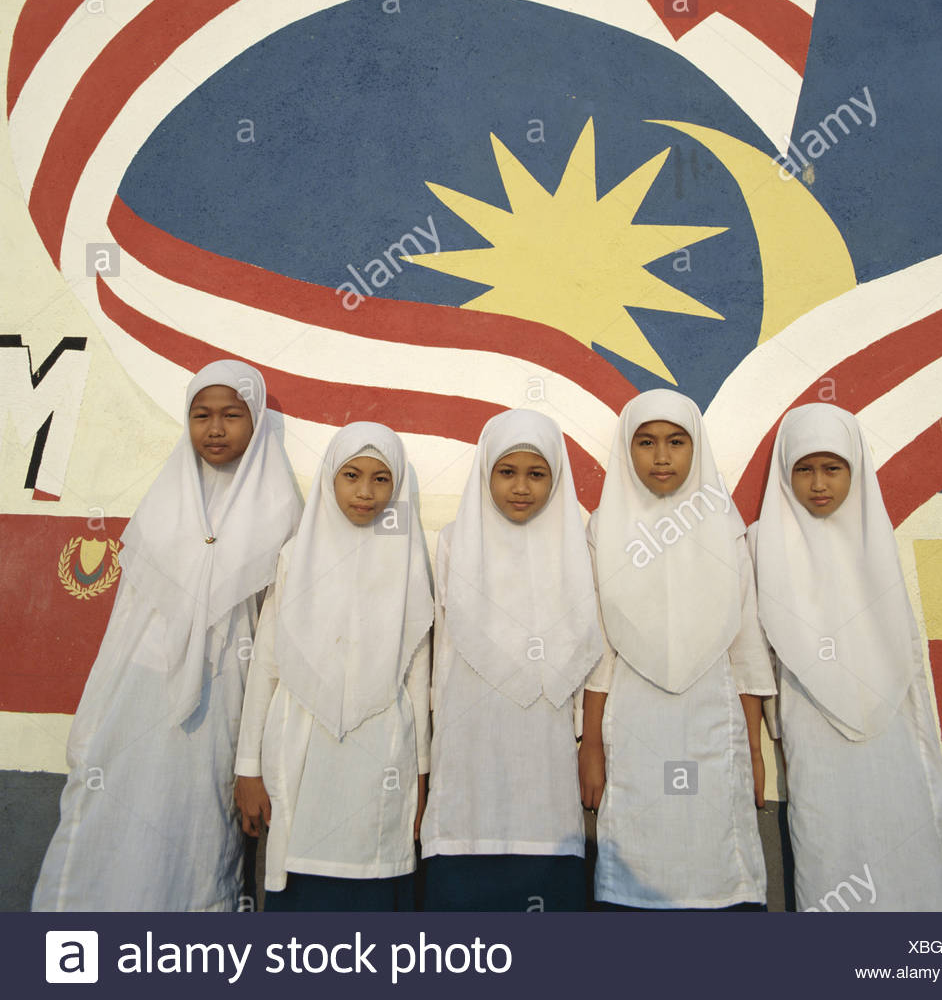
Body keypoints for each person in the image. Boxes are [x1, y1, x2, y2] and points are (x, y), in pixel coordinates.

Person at [33, 360, 301, 911]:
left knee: (195, 836)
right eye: (201, 415)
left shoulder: (281, 513)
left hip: (221, 704)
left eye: (232, 415)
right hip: (138, 696)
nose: (216, 429)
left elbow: (274, 639)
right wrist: (93, 722)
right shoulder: (163, 504)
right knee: (108, 819)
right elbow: (124, 626)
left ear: (257, 422)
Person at [749, 402, 942, 912]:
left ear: (856, 469)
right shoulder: (763, 544)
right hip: (815, 732)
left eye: (833, 468)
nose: (819, 483)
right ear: (786, 472)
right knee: (829, 853)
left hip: (895, 730)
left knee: (912, 845)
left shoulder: (875, 538)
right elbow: (757, 655)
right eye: (803, 469)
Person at [579, 389, 773, 910]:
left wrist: (753, 751)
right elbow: (599, 649)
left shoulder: (726, 529)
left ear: (697, 448)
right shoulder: (604, 530)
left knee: (720, 860)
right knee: (636, 863)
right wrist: (591, 746)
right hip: (634, 726)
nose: (661, 457)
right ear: (627, 449)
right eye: (646, 442)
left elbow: (746, 648)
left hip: (713, 723)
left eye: (676, 441)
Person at [233, 423, 432, 910]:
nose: (365, 492)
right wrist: (249, 769)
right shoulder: (295, 558)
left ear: (399, 486)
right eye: (351, 475)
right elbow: (266, 667)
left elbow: (418, 676)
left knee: (374, 883)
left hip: (381, 754)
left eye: (382, 479)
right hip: (300, 748)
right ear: (329, 479)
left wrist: (422, 777)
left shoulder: (408, 561)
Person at [420, 409, 603, 911]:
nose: (521, 487)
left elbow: (594, 647)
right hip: (468, 752)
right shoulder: (455, 541)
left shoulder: (576, 547)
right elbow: (443, 656)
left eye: (536, 474)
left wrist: (590, 740)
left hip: (545, 750)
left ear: (556, 477)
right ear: (486, 473)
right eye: (507, 472)